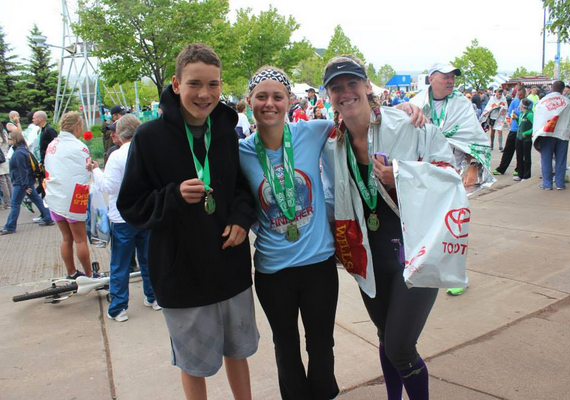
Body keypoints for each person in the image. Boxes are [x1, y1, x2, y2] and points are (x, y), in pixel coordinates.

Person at [116, 43, 258, 400]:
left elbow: (242, 187)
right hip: (182, 274)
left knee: (238, 352)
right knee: (194, 364)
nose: (205, 94)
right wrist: (174, 196)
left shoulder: (225, 131)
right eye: (195, 84)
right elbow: (131, 205)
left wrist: (242, 218)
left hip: (230, 267)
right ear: (176, 85)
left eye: (213, 85)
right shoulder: (149, 138)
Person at [321, 55, 457, 400]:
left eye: (353, 84)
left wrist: (401, 177)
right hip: (370, 257)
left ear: (368, 87)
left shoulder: (408, 125)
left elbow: (450, 175)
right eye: (336, 88)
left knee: (400, 346)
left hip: (416, 252)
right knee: (386, 338)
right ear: (329, 96)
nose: (345, 92)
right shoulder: (331, 143)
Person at [239, 66, 340, 400]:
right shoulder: (240, 153)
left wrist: (408, 109)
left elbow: (356, 118)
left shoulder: (312, 131)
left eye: (277, 97)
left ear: (290, 101)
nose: (270, 103)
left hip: (318, 265)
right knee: (285, 348)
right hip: (273, 270)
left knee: (322, 345)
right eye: (262, 96)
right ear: (249, 101)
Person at [410, 63, 493, 297]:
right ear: (431, 78)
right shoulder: (416, 103)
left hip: (453, 173)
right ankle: (424, 268)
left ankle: (456, 275)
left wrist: (473, 167)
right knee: (424, 225)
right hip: (424, 174)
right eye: (445, 76)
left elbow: (473, 137)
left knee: (454, 226)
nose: (450, 81)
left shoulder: (461, 104)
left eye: (453, 77)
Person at [90, 114, 160, 322]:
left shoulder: (117, 156)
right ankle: (153, 297)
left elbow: (108, 187)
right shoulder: (148, 153)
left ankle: (119, 306)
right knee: (148, 259)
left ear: (119, 134)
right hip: (146, 214)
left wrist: (95, 170)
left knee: (120, 263)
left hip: (122, 218)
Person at [43, 112, 99, 278]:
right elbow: (86, 172)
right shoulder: (79, 147)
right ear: (77, 126)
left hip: (54, 196)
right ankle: (89, 275)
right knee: (80, 239)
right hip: (73, 198)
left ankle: (71, 272)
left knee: (66, 239)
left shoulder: (52, 145)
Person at [0, 130, 54, 235]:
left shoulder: (19, 153)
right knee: (37, 200)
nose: (8, 140)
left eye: (10, 139)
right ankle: (48, 218)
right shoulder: (22, 150)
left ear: (15, 140)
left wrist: (25, 185)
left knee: (15, 203)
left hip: (21, 183)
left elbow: (22, 170)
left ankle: (10, 226)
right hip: (26, 182)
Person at [533, 81, 570, 191]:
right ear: (563, 89)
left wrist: (536, 132)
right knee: (561, 160)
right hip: (562, 134)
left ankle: (547, 184)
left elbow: (538, 118)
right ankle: (560, 183)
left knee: (546, 159)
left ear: (552, 88)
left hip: (546, 133)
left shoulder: (542, 102)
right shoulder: (568, 102)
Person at [492, 86, 527, 176]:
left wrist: (517, 113)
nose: (519, 96)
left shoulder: (527, 102)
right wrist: (511, 116)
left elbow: (527, 113)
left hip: (522, 129)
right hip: (513, 128)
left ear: (524, 94)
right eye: (518, 95)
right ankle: (501, 169)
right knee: (508, 150)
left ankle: (518, 169)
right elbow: (510, 112)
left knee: (520, 152)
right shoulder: (514, 101)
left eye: (521, 95)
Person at [514, 98, 533, 181]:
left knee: (527, 157)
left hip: (526, 139)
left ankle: (526, 175)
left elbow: (535, 126)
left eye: (520, 104)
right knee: (519, 156)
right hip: (519, 137)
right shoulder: (521, 113)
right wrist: (515, 118)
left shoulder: (530, 114)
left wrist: (527, 133)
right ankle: (520, 174)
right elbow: (519, 123)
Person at [0, 126, 12, 209]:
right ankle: (12, 199)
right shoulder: (4, 133)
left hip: (1, 160)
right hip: (6, 157)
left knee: (2, 181)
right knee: (8, 180)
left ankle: (7, 202)